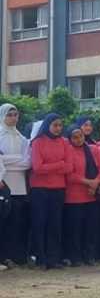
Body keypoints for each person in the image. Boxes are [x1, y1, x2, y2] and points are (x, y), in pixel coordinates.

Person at [30, 113, 73, 270]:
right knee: (40, 223)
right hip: (40, 189)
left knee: (55, 224)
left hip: (58, 189)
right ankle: (40, 258)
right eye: (55, 125)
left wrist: (53, 165)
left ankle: (53, 258)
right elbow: (37, 168)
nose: (58, 128)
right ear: (47, 125)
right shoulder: (37, 142)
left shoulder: (65, 142)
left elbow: (69, 167)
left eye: (60, 125)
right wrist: (59, 164)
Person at [63, 125, 100, 267]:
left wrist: (95, 183)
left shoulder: (94, 149)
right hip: (74, 196)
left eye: (80, 136)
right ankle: (75, 257)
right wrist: (89, 182)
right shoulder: (68, 151)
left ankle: (90, 255)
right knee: (75, 229)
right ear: (69, 138)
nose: (78, 140)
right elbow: (69, 174)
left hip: (92, 195)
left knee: (91, 227)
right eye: (74, 137)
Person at [0, 104, 32, 268]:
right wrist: (16, 160)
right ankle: (3, 256)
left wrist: (6, 160)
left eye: (15, 114)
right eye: (9, 115)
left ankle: (16, 256)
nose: (13, 118)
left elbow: (27, 162)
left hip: (20, 186)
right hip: (3, 185)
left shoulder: (22, 138)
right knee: (3, 223)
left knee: (17, 223)